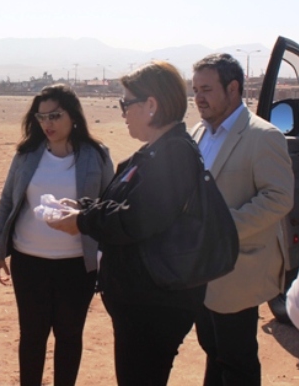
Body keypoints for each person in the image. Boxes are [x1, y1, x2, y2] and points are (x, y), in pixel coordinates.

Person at [49, 62, 207, 385]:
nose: (122, 111)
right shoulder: (157, 152)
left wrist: (82, 220)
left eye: (126, 103)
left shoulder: (175, 154)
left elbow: (137, 218)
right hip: (142, 303)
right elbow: (127, 206)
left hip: (154, 307)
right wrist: (84, 208)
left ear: (151, 105)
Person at [0, 84, 114, 386]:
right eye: (41, 117)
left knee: (69, 336)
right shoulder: (27, 154)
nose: (48, 124)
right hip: (29, 261)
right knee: (32, 336)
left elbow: (110, 206)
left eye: (55, 115)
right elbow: (7, 201)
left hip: (76, 264)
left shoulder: (96, 155)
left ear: (73, 116)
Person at [190, 53, 293, 386]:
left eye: (206, 89)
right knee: (212, 350)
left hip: (237, 269)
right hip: (197, 270)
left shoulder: (263, 136)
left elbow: (278, 198)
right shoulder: (197, 133)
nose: (198, 98)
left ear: (232, 88)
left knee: (237, 360)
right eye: (195, 89)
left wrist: (221, 228)